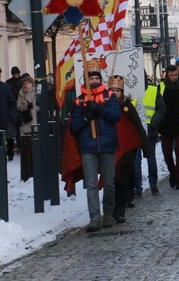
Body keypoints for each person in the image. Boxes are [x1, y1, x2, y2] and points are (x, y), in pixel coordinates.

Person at [69, 60, 122, 231]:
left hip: (107, 144)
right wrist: (86, 117)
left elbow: (116, 116)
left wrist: (99, 109)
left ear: (100, 79)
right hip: (88, 146)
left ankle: (108, 213)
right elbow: (74, 126)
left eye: (96, 78)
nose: (94, 81)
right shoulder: (79, 101)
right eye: (90, 79)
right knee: (91, 184)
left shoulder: (109, 96)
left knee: (109, 183)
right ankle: (94, 218)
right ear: (86, 80)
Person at [108, 75, 150, 224]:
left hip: (126, 150)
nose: (114, 93)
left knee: (124, 179)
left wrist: (146, 147)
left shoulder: (127, 105)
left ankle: (121, 210)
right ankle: (112, 209)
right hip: (111, 148)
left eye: (117, 90)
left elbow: (137, 125)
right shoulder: (105, 105)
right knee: (112, 180)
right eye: (112, 90)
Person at [151, 64, 179, 190]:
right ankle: (173, 173)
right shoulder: (160, 87)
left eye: (176, 75)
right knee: (166, 153)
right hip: (165, 125)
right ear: (166, 75)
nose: (174, 77)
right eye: (172, 75)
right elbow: (157, 106)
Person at [138, 76, 164, 196]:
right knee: (135, 161)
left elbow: (161, 109)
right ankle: (137, 188)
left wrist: (154, 122)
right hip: (136, 130)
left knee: (151, 159)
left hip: (150, 130)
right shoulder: (131, 93)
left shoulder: (153, 90)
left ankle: (153, 185)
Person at [15, 75, 37, 182]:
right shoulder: (21, 92)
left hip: (35, 121)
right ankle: (28, 174)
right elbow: (18, 106)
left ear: (31, 84)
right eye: (24, 83)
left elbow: (39, 105)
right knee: (27, 146)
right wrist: (25, 106)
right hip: (26, 121)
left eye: (27, 83)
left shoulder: (37, 92)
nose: (25, 85)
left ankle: (35, 169)